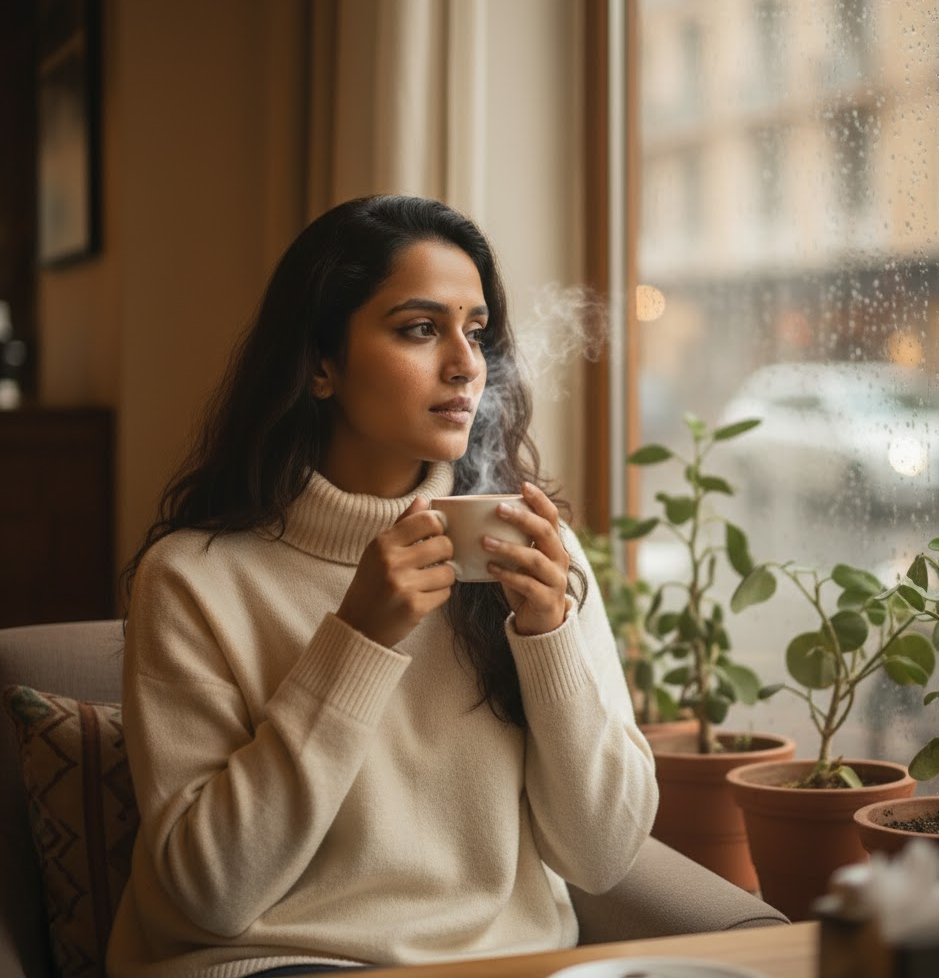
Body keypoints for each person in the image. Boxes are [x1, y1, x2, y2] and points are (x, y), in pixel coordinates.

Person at [106, 194, 658, 978]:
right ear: (321, 363)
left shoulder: (535, 555)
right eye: (420, 328)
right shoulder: (195, 579)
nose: (466, 364)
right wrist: (357, 639)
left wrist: (549, 638)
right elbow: (210, 892)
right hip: (277, 965)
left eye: (476, 331)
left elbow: (601, 858)